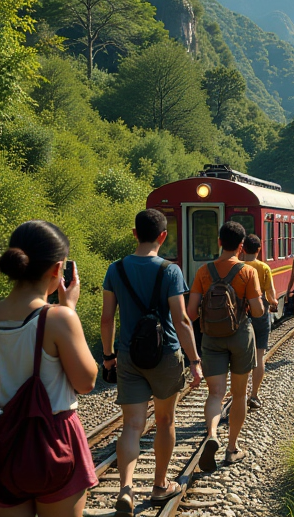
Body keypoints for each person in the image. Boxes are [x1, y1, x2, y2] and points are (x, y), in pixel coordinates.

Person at [100, 210, 203, 514]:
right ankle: (160, 485)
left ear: (135, 234)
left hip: (129, 356)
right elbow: (182, 320)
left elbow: (107, 319)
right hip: (165, 355)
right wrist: (195, 360)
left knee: (132, 425)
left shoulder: (115, 269)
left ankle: (126, 489)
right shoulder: (170, 271)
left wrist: (108, 356)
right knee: (165, 420)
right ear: (163, 236)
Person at [0, 221, 98, 517]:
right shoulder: (57, 318)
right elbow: (86, 382)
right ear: (58, 269)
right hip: (53, 439)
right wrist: (70, 310)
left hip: (4, 439)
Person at [186, 222, 263, 471]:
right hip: (241, 335)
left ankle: (211, 434)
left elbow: (191, 313)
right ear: (241, 247)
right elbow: (259, 311)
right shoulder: (248, 272)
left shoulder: (203, 272)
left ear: (219, 242)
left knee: (215, 394)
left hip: (212, 338)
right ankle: (232, 449)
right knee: (239, 394)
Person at [240, 234, 277, 410]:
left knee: (240, 355)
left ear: (243, 249)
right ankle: (254, 395)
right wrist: (274, 303)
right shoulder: (263, 267)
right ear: (259, 249)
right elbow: (270, 293)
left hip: (241, 311)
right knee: (259, 354)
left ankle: (239, 394)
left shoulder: (238, 266)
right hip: (260, 310)